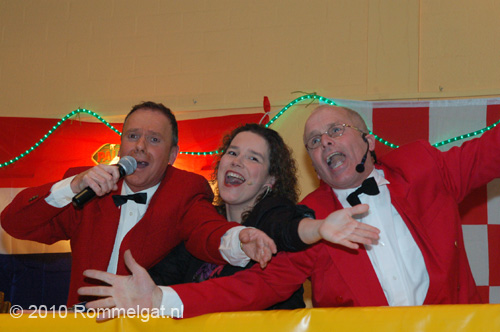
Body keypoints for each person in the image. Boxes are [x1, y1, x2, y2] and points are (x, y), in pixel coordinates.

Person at [79, 103, 494, 318]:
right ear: (313, 165)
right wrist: (161, 300)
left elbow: (489, 152)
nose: (325, 143)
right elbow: (254, 287)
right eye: (314, 141)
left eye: (335, 131)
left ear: (367, 140)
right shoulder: (311, 218)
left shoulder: (423, 168)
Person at [0, 101, 277, 306]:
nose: (140, 146)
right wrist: (72, 186)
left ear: (171, 155)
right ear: (121, 145)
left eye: (154, 139)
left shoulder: (184, 189)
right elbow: (16, 224)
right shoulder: (88, 184)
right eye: (132, 136)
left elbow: (206, 231)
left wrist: (240, 240)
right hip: (84, 322)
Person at [147, 124, 380, 310]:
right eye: (233, 153)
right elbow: (161, 279)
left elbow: (286, 228)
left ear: (270, 180)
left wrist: (317, 228)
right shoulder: (205, 225)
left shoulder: (274, 214)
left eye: (253, 158)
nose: (237, 161)